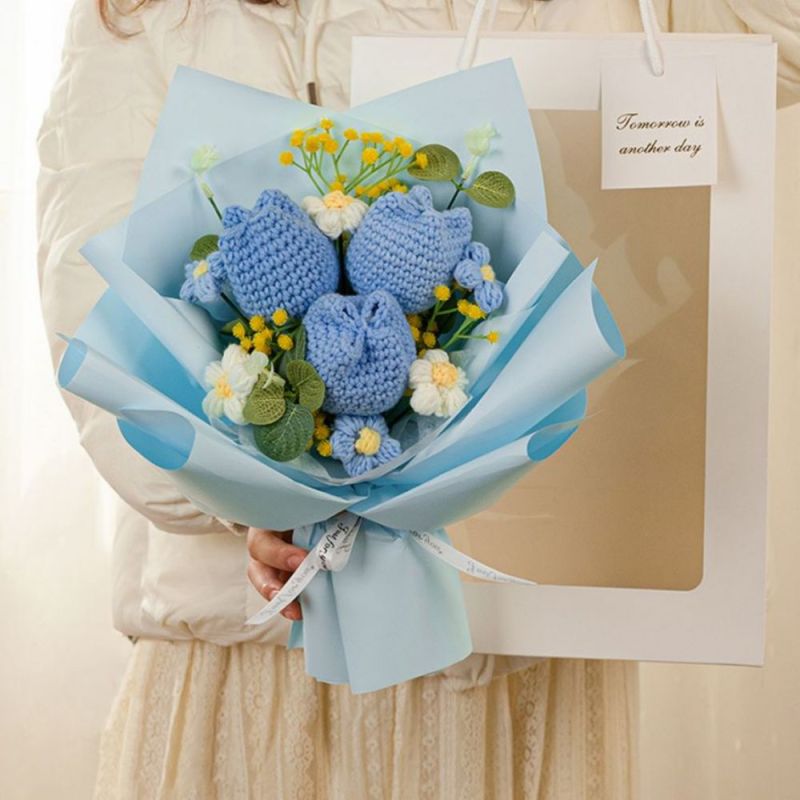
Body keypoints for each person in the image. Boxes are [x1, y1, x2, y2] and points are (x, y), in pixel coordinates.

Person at [36, 1, 798, 797]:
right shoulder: (147, 14)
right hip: (247, 650)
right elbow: (97, 319)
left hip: (514, 645)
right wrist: (255, 494)